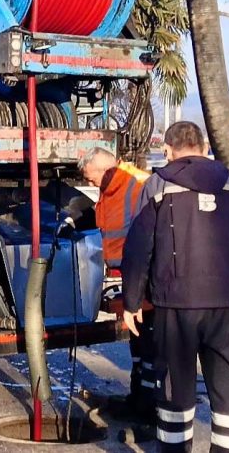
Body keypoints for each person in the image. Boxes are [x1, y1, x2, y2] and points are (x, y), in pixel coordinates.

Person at [123, 122, 229, 452]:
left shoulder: (157, 185)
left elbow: (137, 248)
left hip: (175, 308)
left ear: (168, 149)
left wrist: (131, 302)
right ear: (204, 147)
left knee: (176, 398)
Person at [79, 147, 155, 421]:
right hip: (126, 272)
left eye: (90, 178)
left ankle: (149, 407)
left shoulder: (138, 184)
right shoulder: (110, 187)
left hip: (144, 274)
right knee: (137, 340)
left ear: (103, 168)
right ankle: (138, 398)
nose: (89, 184)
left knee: (149, 342)